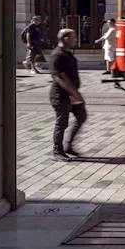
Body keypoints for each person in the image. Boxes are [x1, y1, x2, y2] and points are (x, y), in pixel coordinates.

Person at [48, 28, 86, 161]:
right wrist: (74, 94)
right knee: (62, 123)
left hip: (71, 94)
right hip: (61, 96)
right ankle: (57, 151)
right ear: (65, 39)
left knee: (81, 116)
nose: (76, 39)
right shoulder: (57, 55)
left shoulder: (67, 53)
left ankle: (68, 146)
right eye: (73, 37)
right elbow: (60, 77)